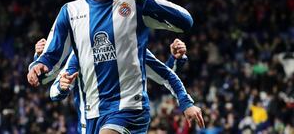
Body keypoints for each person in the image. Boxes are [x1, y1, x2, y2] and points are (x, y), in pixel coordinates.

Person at [27, 0, 204, 133]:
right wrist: (37, 66)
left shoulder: (134, 3)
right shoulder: (70, 13)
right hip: (91, 119)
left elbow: (185, 21)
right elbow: (48, 71)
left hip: (130, 111)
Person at [34, 38, 200, 133]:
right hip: (89, 126)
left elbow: (165, 75)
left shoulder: (131, 46)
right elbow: (51, 89)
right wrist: (61, 86)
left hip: (124, 117)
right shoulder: (80, 51)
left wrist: (185, 101)